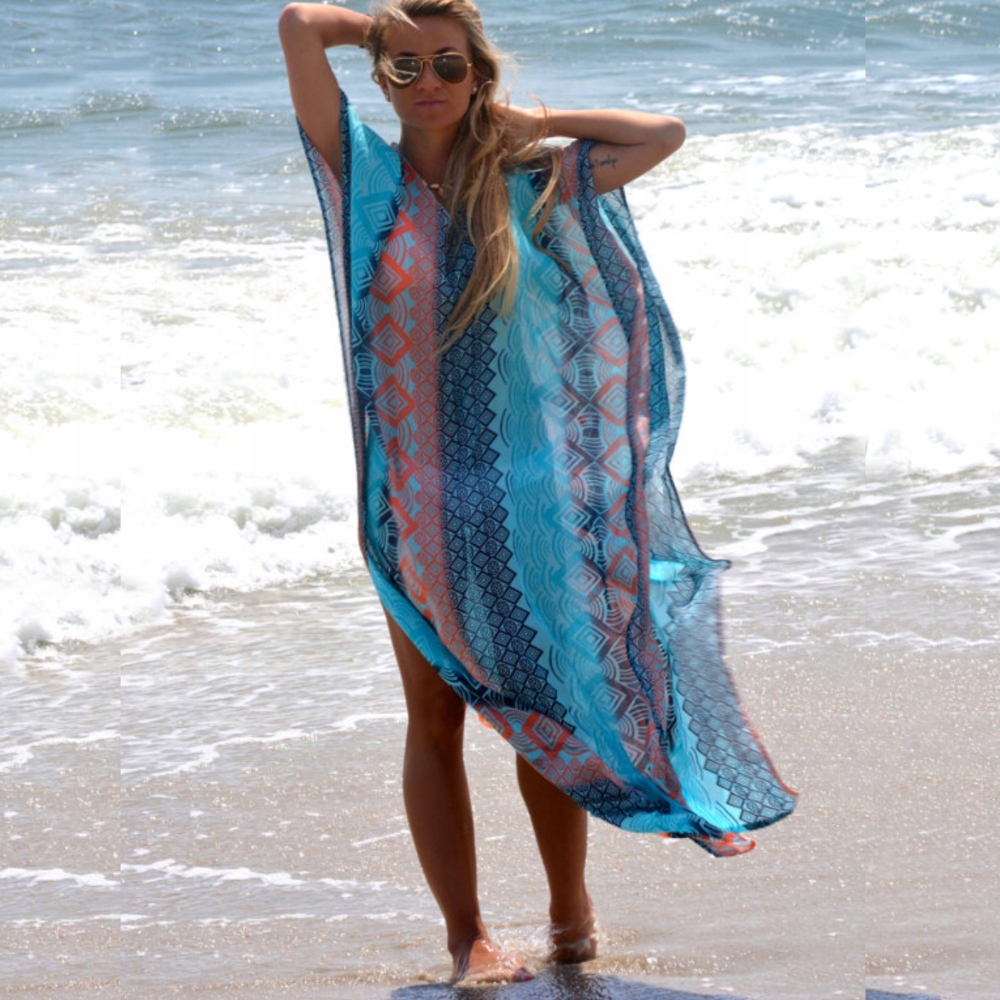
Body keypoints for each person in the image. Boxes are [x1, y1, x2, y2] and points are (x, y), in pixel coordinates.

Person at [279, 0, 796, 985]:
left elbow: (662, 134)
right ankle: (467, 936)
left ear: (479, 74)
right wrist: (382, 28)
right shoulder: (362, 178)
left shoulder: (531, 180)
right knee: (434, 717)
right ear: (378, 79)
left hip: (536, 499)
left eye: (448, 64)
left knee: (544, 706)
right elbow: (301, 24)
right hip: (413, 507)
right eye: (403, 68)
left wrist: (536, 122)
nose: (426, 83)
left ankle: (568, 909)